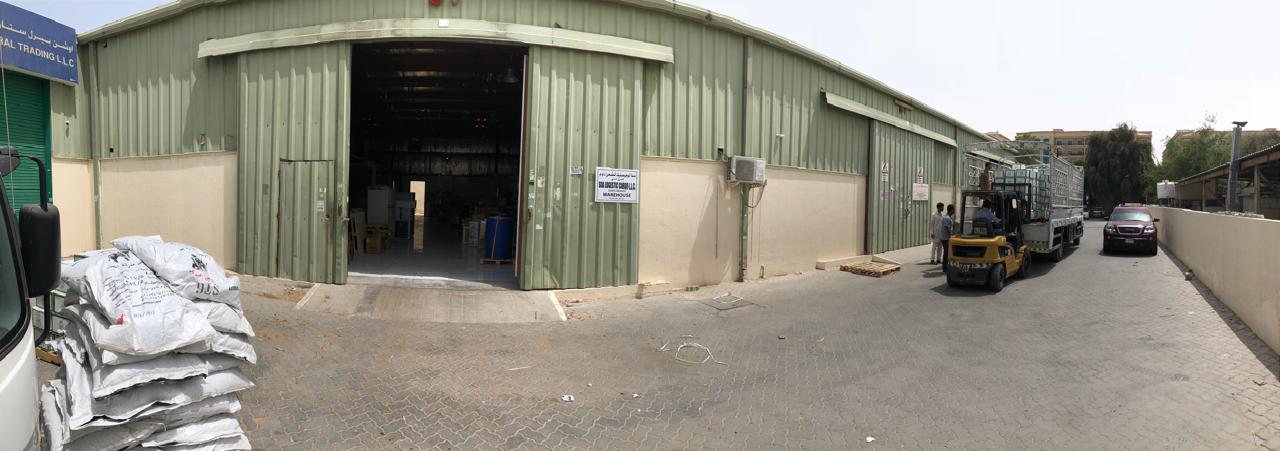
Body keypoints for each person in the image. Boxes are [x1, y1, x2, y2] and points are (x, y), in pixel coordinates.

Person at [941, 204, 956, 272]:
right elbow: (946, 228)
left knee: (946, 252)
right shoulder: (947, 218)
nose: (954, 210)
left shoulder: (947, 217)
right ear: (951, 209)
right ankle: (945, 268)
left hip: (945, 238)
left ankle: (945, 267)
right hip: (946, 238)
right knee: (946, 253)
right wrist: (950, 236)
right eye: (954, 209)